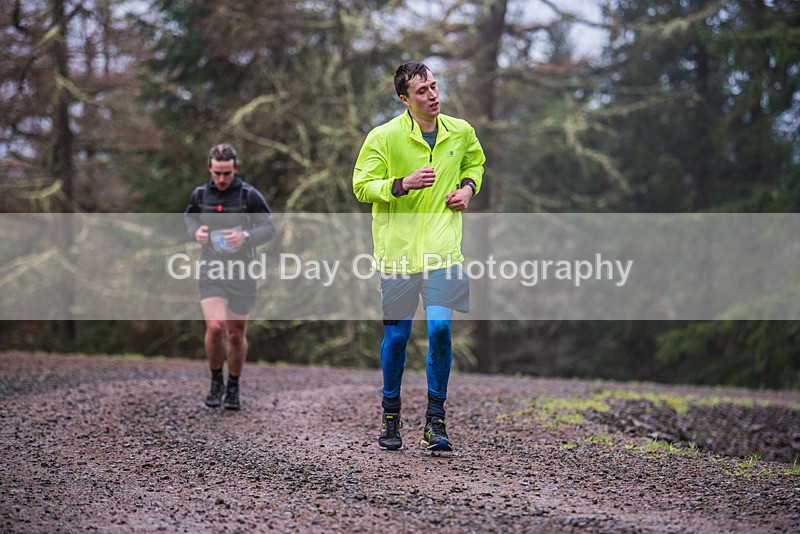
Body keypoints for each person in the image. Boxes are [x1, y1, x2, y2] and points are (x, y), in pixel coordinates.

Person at [353, 61, 486, 451]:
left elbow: (474, 164)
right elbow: (361, 185)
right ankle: (390, 414)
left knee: (440, 330)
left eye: (434, 86)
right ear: (404, 99)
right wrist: (401, 184)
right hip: (398, 254)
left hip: (444, 252)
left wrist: (467, 189)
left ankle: (435, 420)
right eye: (422, 91)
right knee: (398, 336)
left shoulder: (461, 131)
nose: (432, 95)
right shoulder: (384, 137)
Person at [184, 143, 276, 410]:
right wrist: (195, 233)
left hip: (241, 273)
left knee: (235, 335)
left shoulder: (249, 196)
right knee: (215, 327)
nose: (222, 179)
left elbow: (270, 227)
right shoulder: (201, 195)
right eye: (217, 173)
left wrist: (246, 236)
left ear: (235, 169)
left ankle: (233, 386)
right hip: (211, 270)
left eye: (226, 173)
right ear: (209, 169)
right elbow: (189, 218)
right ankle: (216, 382)